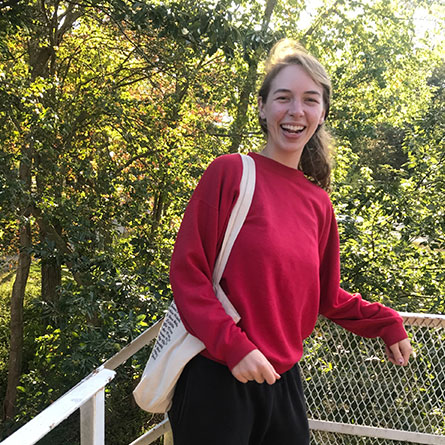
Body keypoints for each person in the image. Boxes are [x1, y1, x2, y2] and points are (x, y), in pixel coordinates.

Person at [167, 39, 413, 445]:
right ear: (263, 108)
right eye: (284, 97)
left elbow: (327, 296)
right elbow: (188, 272)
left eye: (309, 100)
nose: (296, 111)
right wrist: (233, 347)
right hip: (217, 374)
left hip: (282, 380)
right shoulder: (230, 173)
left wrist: (385, 322)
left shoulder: (318, 203)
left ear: (322, 113)